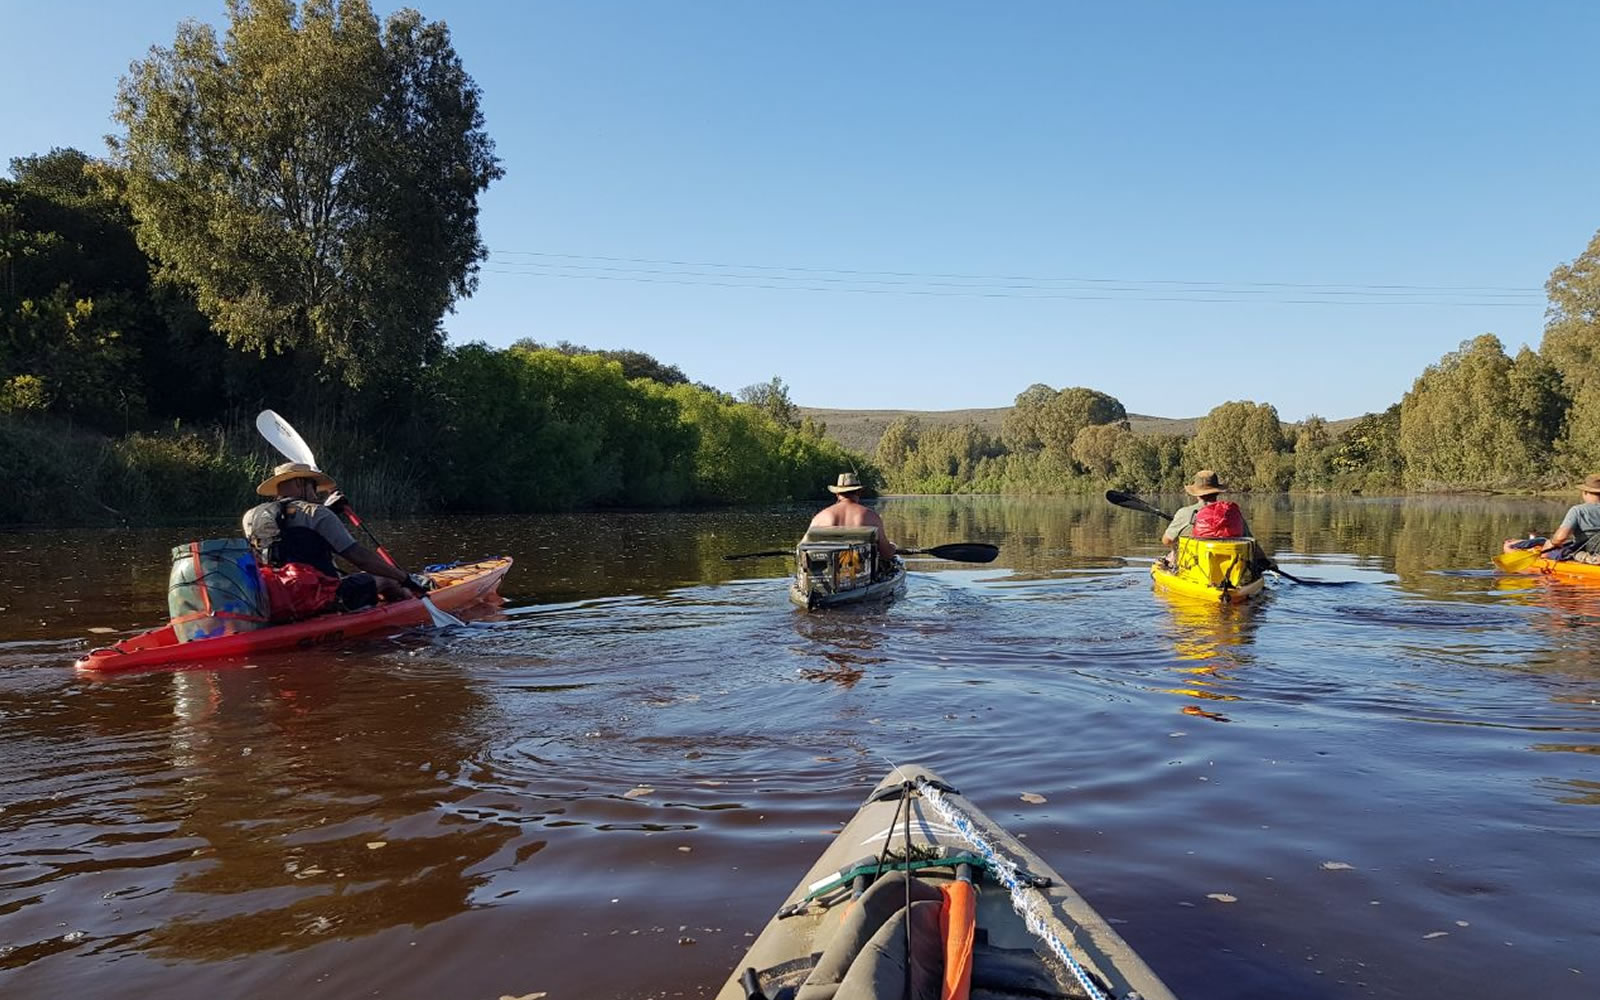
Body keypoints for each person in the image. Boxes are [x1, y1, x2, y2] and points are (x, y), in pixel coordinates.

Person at [242, 462, 428, 619]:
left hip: (276, 598)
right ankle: (412, 603)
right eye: (313, 487)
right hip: (322, 598)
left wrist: (328, 511)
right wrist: (404, 577)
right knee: (387, 578)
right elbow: (360, 558)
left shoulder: (250, 516)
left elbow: (289, 530)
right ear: (300, 483)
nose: (316, 494)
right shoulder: (318, 513)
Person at [1160, 470, 1259, 568]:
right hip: (1232, 569)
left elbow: (1167, 541)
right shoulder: (1231, 514)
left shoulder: (1184, 513)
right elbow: (1252, 543)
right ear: (1217, 492)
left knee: (1169, 557)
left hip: (1195, 568)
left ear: (1197, 494)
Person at [1502, 474, 1600, 563]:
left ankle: (1513, 545)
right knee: (1542, 540)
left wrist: (1552, 543)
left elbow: (1560, 538)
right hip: (1596, 550)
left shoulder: (1578, 510)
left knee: (1547, 551)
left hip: (1585, 551)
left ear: (1585, 492)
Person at [809, 472, 897, 568]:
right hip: (859, 571)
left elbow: (804, 548)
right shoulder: (871, 517)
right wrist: (892, 547)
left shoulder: (819, 518)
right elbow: (886, 554)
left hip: (829, 571)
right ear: (858, 492)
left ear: (837, 494)